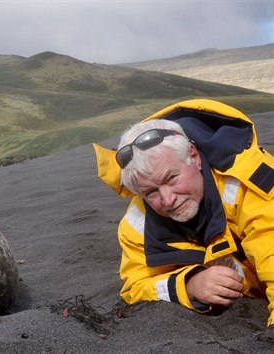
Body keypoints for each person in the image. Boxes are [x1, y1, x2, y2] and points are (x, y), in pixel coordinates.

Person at [93, 99, 274, 325]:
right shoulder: (135, 225)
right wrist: (190, 285)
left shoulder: (250, 184)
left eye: (171, 178)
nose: (168, 199)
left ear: (194, 156)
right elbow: (135, 288)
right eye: (150, 192)